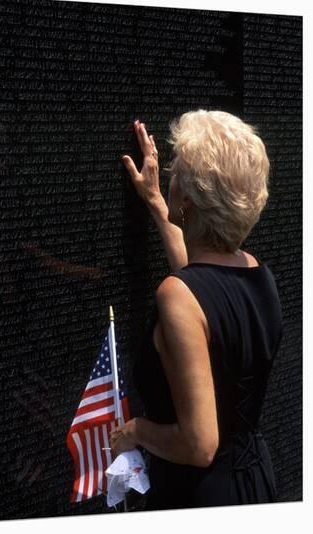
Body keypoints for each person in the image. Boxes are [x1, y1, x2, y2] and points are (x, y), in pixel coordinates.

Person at [108, 110, 283, 508]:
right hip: (255, 483)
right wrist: (155, 201)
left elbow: (200, 444)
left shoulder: (177, 295)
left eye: (175, 171)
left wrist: (135, 431)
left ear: (187, 199)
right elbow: (200, 286)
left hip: (199, 498)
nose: (169, 174)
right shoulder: (260, 276)